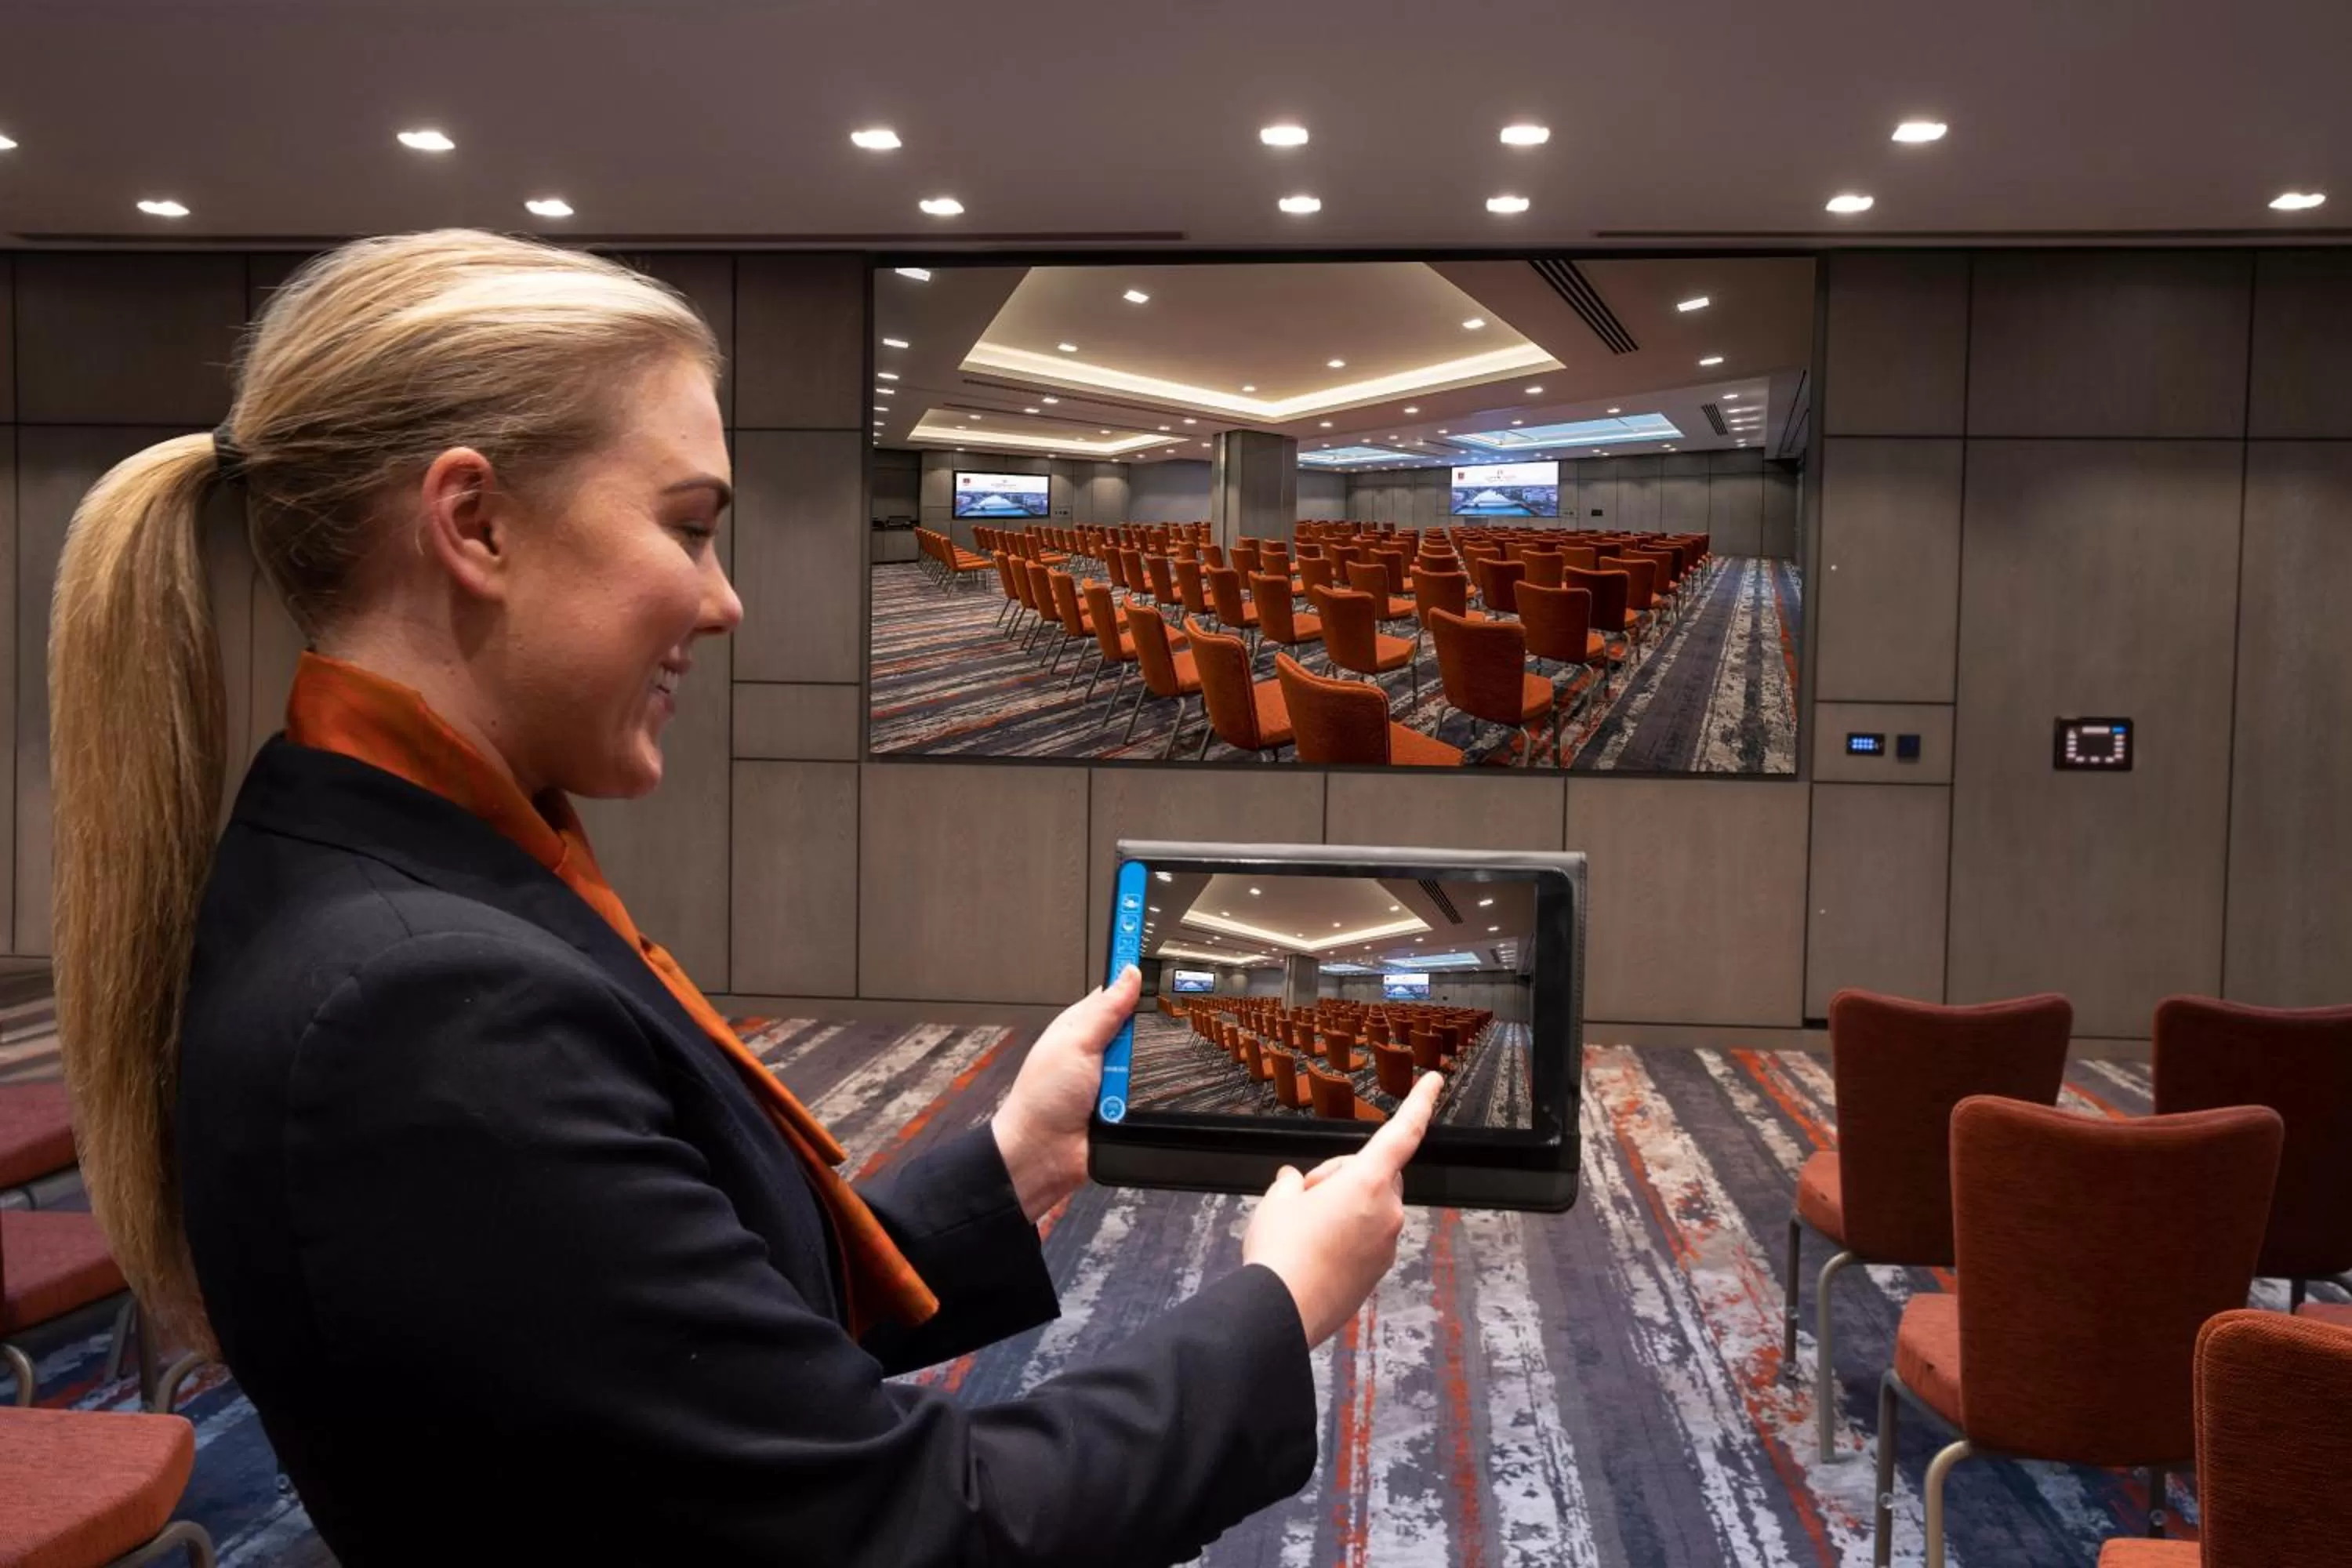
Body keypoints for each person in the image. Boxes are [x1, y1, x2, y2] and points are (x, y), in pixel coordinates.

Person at [48, 230, 1441, 1566]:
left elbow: (671, 1350)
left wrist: (1014, 1157)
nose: (725, 604)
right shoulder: (421, 1007)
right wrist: (1284, 1300)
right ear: (473, 523)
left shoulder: (368, 859)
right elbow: (907, 1531)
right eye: (690, 527)